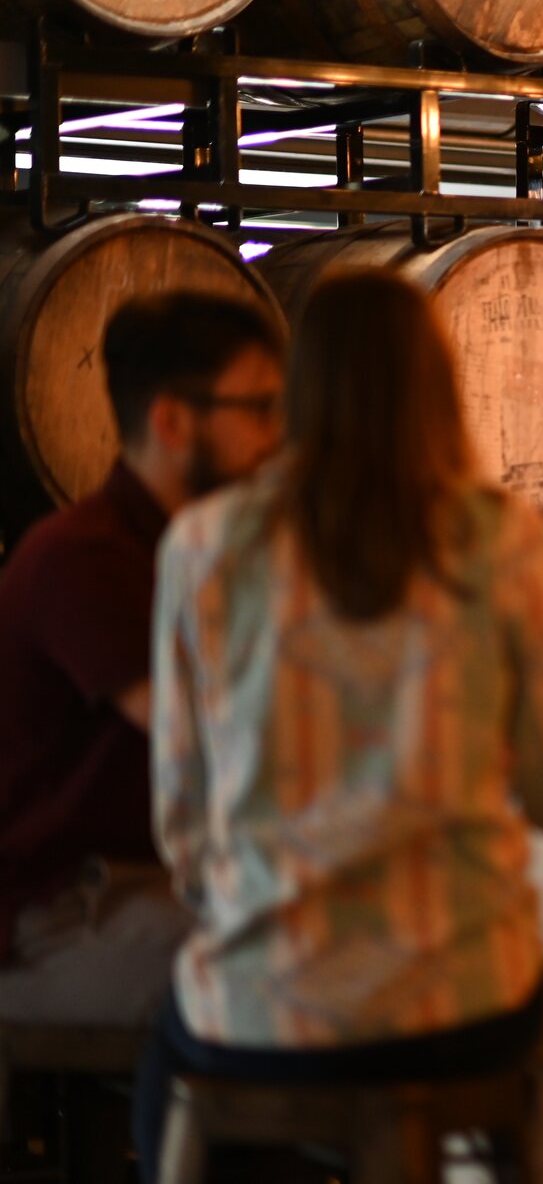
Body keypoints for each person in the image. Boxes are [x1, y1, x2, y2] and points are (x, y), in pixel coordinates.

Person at [135, 272, 543, 1183]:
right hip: (460, 1002)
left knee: (180, 1052)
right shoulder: (511, 546)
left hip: (262, 997)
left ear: (296, 389)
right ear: (442, 386)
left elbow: (181, 817)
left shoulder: (203, 546)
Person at [0, 292, 284, 1030]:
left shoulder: (207, 550)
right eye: (257, 409)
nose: (276, 438)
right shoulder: (86, 557)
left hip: (164, 890)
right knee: (300, 977)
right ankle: (198, 1146)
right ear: (171, 421)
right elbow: (206, 738)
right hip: (59, 917)